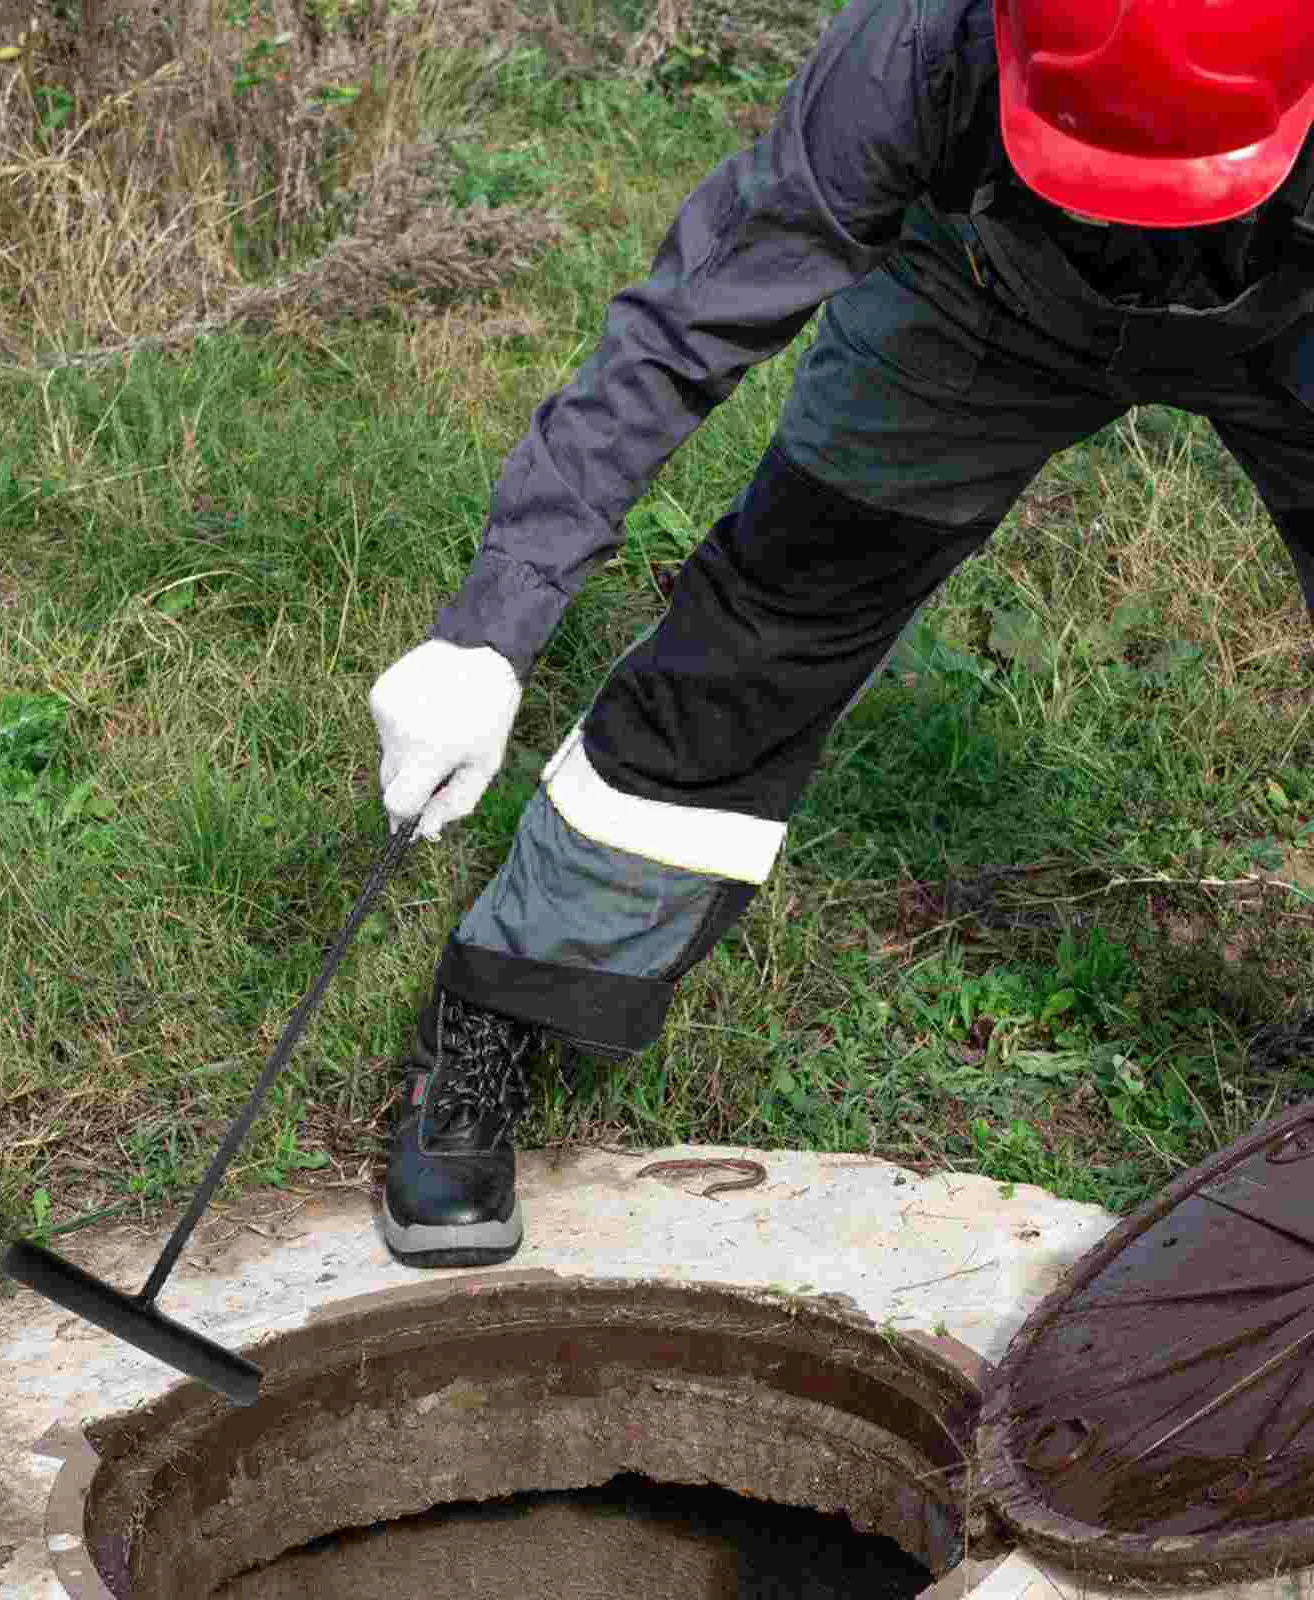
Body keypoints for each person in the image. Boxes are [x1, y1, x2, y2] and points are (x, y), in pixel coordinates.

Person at [366, 0, 1314, 1268]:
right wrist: (489, 630)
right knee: (761, 631)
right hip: (986, 303)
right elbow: (684, 324)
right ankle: (498, 1022)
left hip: (1294, 310)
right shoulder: (917, 56)